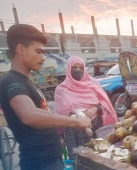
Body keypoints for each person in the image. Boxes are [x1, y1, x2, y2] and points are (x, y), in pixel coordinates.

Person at [0, 24, 91, 170]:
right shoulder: (12, 81)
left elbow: (42, 114)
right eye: (38, 52)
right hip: (40, 164)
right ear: (21, 49)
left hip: (51, 159)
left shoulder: (26, 81)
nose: (43, 58)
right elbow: (29, 115)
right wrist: (76, 122)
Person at [54, 55, 118, 160]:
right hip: (73, 131)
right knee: (78, 159)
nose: (78, 70)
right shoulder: (61, 89)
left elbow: (106, 104)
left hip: (95, 127)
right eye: (74, 67)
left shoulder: (93, 84)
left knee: (98, 156)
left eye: (81, 68)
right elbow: (59, 114)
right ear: (69, 69)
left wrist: (96, 108)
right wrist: (60, 136)